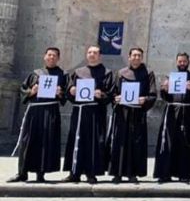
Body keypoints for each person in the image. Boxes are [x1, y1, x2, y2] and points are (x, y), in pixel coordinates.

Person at [8, 47, 68, 183]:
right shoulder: (35, 73)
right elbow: (23, 90)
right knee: (27, 141)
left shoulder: (62, 75)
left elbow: (66, 95)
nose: (51, 57)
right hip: (34, 112)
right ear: (44, 56)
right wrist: (31, 91)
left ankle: (41, 173)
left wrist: (60, 93)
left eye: (54, 56)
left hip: (50, 112)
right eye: (49, 55)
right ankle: (22, 173)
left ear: (58, 58)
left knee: (45, 142)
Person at [63, 46, 114, 184]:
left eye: (95, 53)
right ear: (86, 55)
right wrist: (71, 90)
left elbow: (110, 93)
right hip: (79, 112)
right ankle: (74, 172)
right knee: (76, 141)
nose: (92, 55)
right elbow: (68, 91)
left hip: (96, 112)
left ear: (100, 56)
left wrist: (101, 94)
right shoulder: (78, 72)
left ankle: (91, 173)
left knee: (94, 142)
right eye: (90, 52)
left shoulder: (107, 73)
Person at [107, 47, 157, 184]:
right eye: (134, 55)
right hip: (122, 113)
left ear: (142, 58)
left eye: (139, 55)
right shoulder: (121, 73)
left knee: (135, 143)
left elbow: (153, 94)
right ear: (129, 57)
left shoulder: (148, 74)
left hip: (137, 113)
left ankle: (132, 173)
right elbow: (113, 92)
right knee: (119, 142)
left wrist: (145, 99)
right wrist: (115, 98)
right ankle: (117, 173)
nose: (136, 58)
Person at [154, 52, 190, 184]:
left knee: (185, 142)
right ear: (176, 62)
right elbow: (164, 96)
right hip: (170, 111)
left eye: (184, 61)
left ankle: (184, 174)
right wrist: (164, 89)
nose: (182, 63)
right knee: (167, 142)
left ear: (188, 62)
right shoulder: (170, 77)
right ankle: (164, 173)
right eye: (180, 61)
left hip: (186, 112)